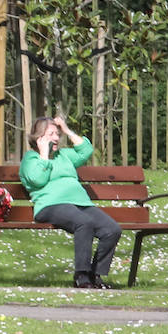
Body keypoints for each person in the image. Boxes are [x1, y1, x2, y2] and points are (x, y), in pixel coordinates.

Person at [18, 115, 121, 289]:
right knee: (84, 223)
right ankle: (81, 275)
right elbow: (37, 180)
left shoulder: (64, 155)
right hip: (51, 205)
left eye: (57, 134)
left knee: (112, 230)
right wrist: (44, 154)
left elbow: (86, 150)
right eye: (51, 134)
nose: (56, 138)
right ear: (39, 137)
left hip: (80, 203)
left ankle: (95, 275)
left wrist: (66, 129)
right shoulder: (31, 159)